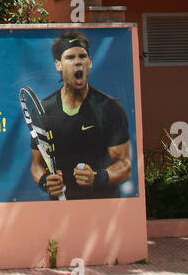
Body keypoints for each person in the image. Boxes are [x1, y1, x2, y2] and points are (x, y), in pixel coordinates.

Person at [31, 31, 132, 200]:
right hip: (62, 208)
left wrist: (99, 178)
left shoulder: (110, 108)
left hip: (103, 205)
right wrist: (44, 181)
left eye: (83, 56)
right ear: (58, 65)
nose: (78, 62)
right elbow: (37, 165)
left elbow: (125, 165)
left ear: (90, 62)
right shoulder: (43, 110)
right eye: (70, 57)